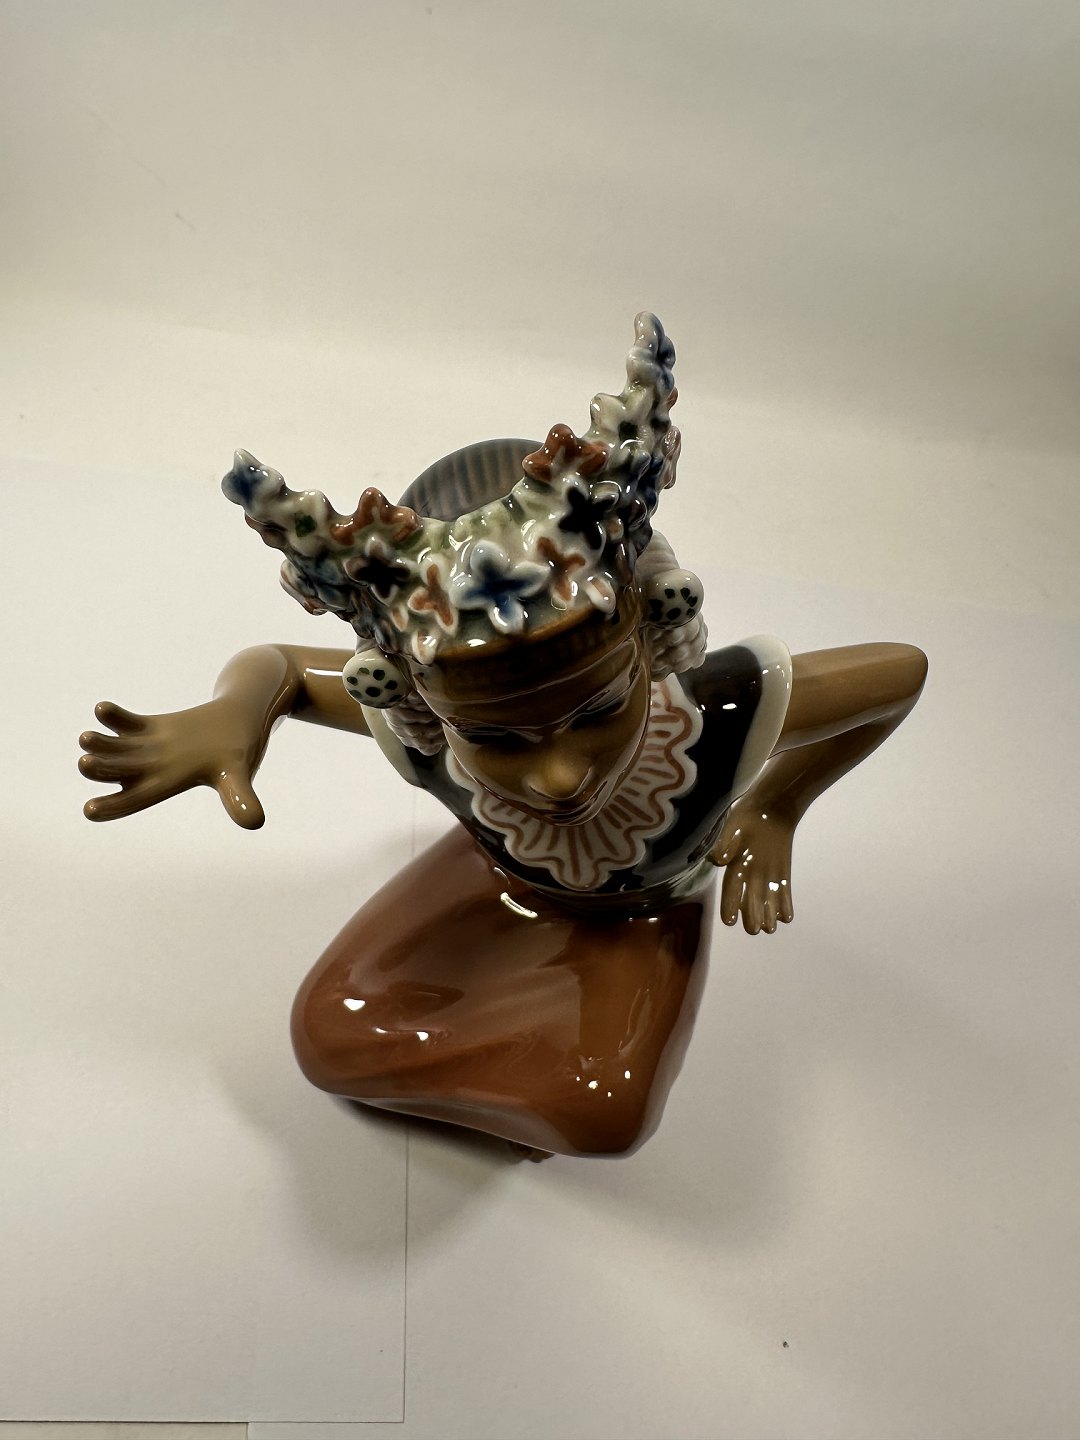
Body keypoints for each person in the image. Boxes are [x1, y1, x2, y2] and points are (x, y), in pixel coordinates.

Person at [80, 315, 926, 1157]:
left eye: (595, 714)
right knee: (328, 1033)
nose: (560, 779)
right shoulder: (421, 722)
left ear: (647, 643)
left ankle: (531, 1050)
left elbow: (898, 673)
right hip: (502, 878)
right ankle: (517, 1054)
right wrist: (236, 715)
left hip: (644, 911)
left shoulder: (711, 721)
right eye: (499, 740)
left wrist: (776, 807)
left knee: (604, 1112)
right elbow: (282, 668)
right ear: (418, 694)